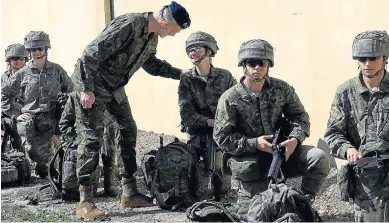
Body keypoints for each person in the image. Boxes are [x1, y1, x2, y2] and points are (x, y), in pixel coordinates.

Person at [69, 1, 191, 220]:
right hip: (93, 85)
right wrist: (86, 89)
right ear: (165, 23)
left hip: (114, 87)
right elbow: (90, 54)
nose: (174, 35)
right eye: (175, 30)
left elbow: (150, 63)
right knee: (90, 139)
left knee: (128, 129)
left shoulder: (151, 35)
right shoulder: (131, 24)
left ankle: (129, 191)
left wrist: (179, 74)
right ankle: (84, 201)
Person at [213, 39, 330, 202]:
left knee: (319, 157)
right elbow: (222, 138)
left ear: (269, 65)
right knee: (258, 212)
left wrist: (294, 140)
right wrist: (254, 143)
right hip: (251, 164)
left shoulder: (282, 89)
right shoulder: (230, 98)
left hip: (282, 153)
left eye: (262, 63)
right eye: (252, 63)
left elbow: (300, 117)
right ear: (244, 65)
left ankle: (304, 201)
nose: (257, 68)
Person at [324, 30, 389, 222]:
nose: (367, 63)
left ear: (385, 58)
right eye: (362, 58)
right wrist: (348, 149)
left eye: (372, 57)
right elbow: (333, 132)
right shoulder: (345, 92)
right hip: (367, 172)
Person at [1, 31, 74, 179]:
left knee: (61, 148)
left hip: (52, 117)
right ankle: (41, 166)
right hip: (31, 120)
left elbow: (71, 90)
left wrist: (65, 100)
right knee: (34, 152)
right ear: (29, 51)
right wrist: (16, 114)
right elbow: (4, 94)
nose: (38, 52)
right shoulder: (22, 74)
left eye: (41, 49)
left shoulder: (57, 70)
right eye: (34, 50)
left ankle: (58, 172)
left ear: (46, 49)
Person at [178, 31, 236, 199]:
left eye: (197, 48)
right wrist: (210, 122)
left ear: (209, 51)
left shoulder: (225, 77)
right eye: (189, 49)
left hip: (223, 134)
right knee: (199, 187)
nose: (192, 53)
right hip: (198, 134)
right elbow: (187, 115)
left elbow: (237, 104)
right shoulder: (187, 79)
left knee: (222, 186)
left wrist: (225, 124)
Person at [1, 43, 29, 152]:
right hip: (6, 117)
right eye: (14, 58)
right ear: (9, 60)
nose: (18, 61)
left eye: (21, 58)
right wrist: (13, 114)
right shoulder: (3, 78)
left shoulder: (32, 77)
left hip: (25, 117)